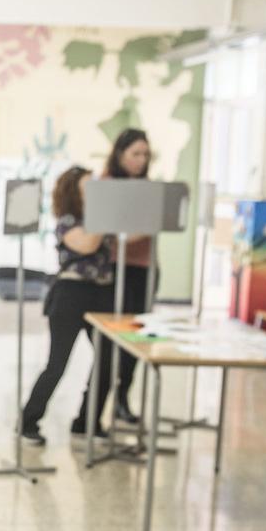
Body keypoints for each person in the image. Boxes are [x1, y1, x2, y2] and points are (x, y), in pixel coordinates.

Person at [18, 165, 118, 445]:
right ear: (75, 192)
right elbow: (86, 245)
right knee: (57, 363)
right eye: (89, 187)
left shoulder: (99, 219)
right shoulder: (68, 222)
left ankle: (87, 422)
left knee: (108, 362)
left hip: (101, 294)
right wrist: (103, 214)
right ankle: (28, 422)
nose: (94, 192)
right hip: (70, 295)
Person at [101, 128, 155, 425]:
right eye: (135, 153)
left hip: (144, 269)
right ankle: (101, 402)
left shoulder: (149, 188)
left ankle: (123, 398)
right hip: (114, 268)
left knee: (138, 335)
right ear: (120, 153)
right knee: (114, 337)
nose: (141, 160)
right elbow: (107, 231)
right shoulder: (106, 185)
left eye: (145, 154)